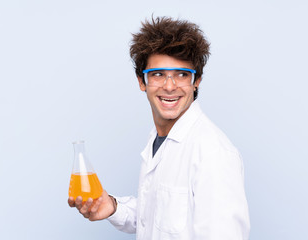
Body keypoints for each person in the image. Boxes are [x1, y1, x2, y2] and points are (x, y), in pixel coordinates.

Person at [68, 16, 250, 239]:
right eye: (158, 74)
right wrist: (113, 207)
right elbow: (158, 217)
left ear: (197, 81)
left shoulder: (213, 154)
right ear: (141, 81)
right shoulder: (158, 138)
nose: (170, 86)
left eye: (182, 75)